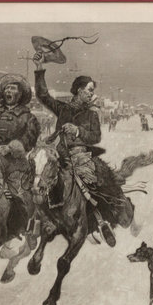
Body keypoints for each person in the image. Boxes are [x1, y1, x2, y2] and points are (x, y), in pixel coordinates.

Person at [33, 63, 116, 247]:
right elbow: (42, 95)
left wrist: (78, 131)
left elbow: (95, 137)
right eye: (89, 90)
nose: (91, 94)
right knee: (38, 176)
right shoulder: (63, 108)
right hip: (58, 154)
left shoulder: (92, 115)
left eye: (92, 91)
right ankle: (35, 221)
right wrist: (39, 68)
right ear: (79, 90)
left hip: (79, 155)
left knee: (90, 184)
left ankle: (99, 221)